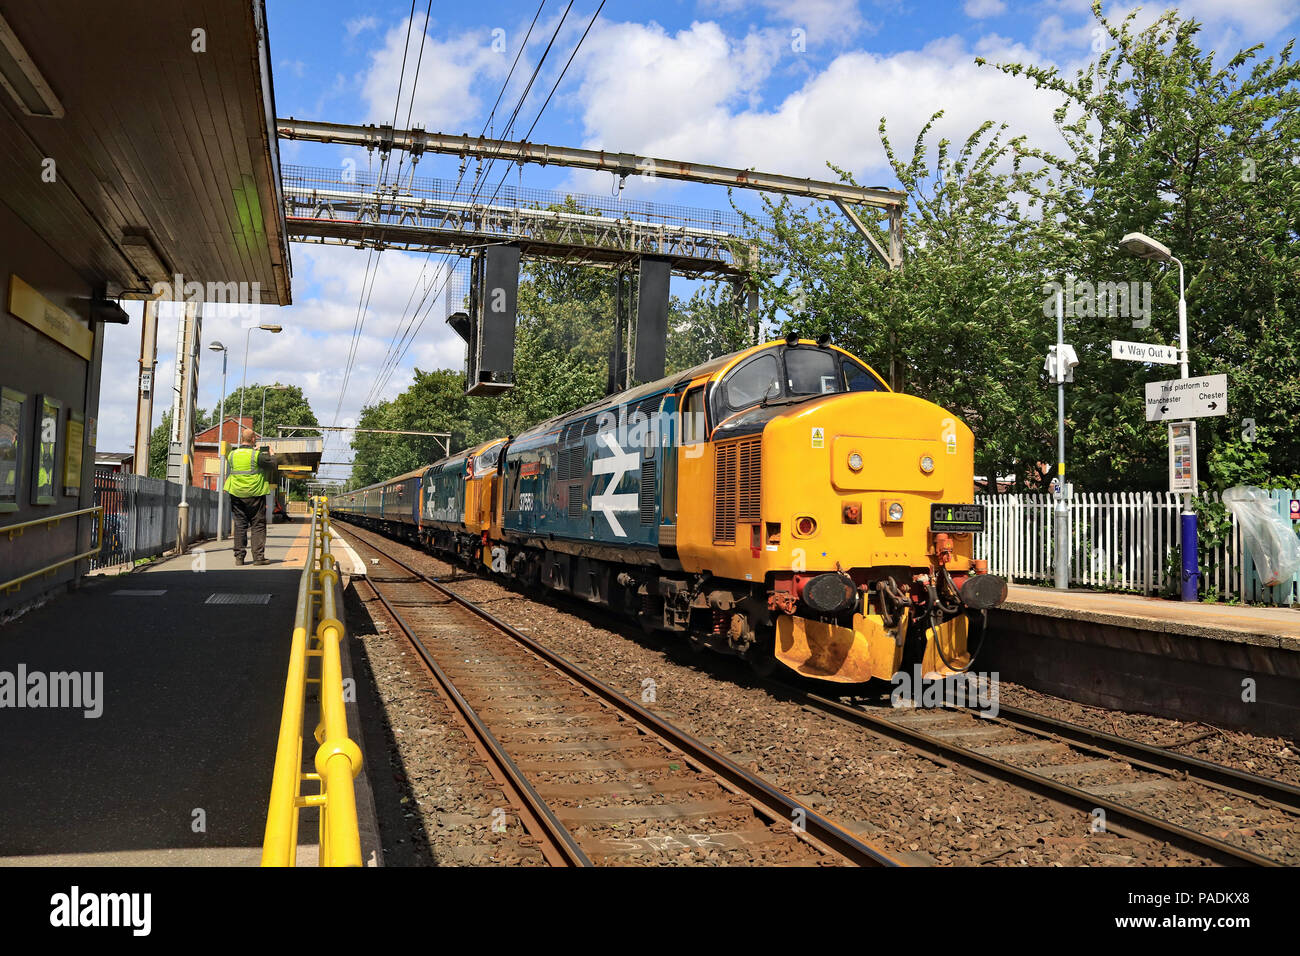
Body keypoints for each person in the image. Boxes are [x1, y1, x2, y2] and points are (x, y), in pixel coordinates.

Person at [224, 427, 277, 566]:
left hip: (236, 494)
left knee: (240, 525)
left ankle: (239, 558)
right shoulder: (257, 455)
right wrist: (271, 453)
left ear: (242, 439)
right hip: (255, 494)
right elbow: (272, 465)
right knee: (257, 525)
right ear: (253, 439)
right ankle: (258, 558)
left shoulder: (231, 455)